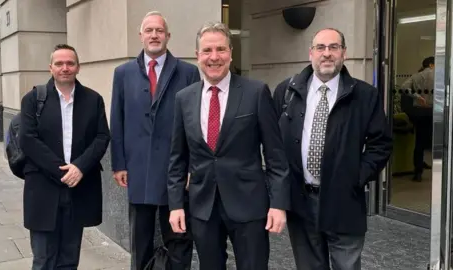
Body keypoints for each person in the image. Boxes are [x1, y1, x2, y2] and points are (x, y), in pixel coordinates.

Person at [168, 21, 290, 270]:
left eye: (221, 50)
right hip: (203, 207)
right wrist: (176, 205)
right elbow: (176, 159)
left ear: (231, 53)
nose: (214, 57)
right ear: (198, 56)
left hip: (249, 205)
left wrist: (278, 204)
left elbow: (275, 155)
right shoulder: (184, 98)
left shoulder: (256, 92)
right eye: (207, 51)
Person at [273, 28, 392, 270]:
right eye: (320, 48)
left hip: (344, 202)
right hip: (301, 203)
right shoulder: (287, 91)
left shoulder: (365, 95)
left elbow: (381, 144)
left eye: (333, 47)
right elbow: (273, 143)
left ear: (344, 53)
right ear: (311, 53)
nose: (327, 54)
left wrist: (355, 178)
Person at [109, 11, 200, 270]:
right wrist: (119, 164)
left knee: (179, 237)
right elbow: (117, 120)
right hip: (138, 170)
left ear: (168, 36)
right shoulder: (122, 73)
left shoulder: (188, 72)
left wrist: (192, 167)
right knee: (140, 240)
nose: (154, 35)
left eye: (159, 30)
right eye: (149, 30)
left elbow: (195, 126)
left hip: (176, 171)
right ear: (140, 36)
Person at [19, 44, 110, 269]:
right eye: (59, 63)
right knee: (43, 259)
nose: (65, 68)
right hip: (43, 189)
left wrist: (79, 167)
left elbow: (101, 137)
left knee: (69, 259)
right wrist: (61, 169)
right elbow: (28, 140)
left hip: (78, 189)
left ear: (78, 67)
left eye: (70, 63)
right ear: (50, 68)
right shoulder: (33, 99)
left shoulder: (93, 99)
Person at [400, 56, 434, 181]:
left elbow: (404, 88)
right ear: (431, 65)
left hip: (420, 112)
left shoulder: (416, 76)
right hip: (434, 111)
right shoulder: (437, 75)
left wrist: (416, 96)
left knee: (419, 141)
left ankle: (418, 171)